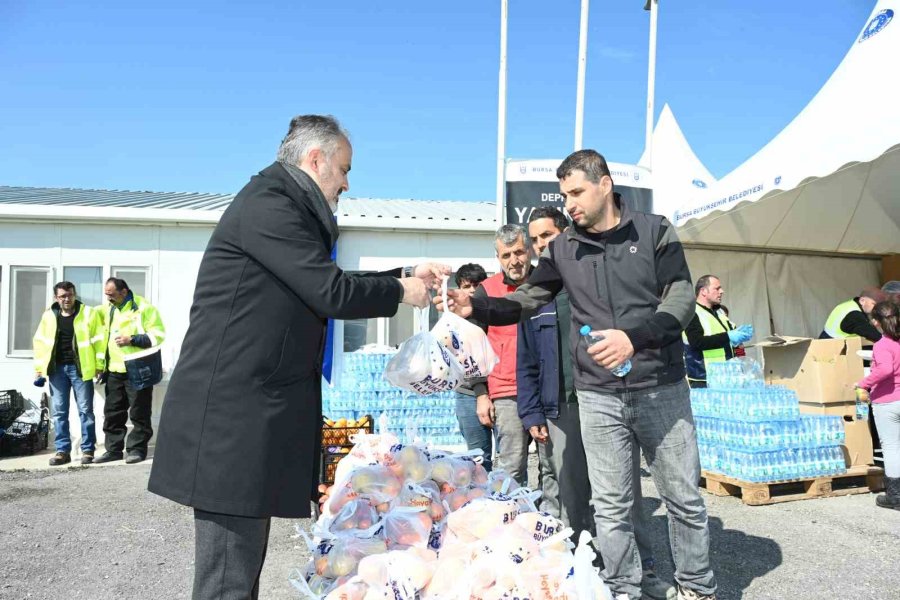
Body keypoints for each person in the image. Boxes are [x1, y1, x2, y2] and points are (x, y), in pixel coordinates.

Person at [147, 114, 446, 600]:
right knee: (227, 581)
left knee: (239, 576)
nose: (347, 183)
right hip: (231, 421)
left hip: (248, 418)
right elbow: (329, 291)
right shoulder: (270, 205)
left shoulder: (283, 206)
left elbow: (322, 283)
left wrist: (404, 274)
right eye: (344, 169)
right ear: (316, 159)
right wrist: (400, 290)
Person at [438, 149, 716, 600]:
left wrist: (634, 339)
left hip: (660, 387)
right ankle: (623, 588)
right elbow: (528, 298)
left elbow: (681, 298)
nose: (569, 203)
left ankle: (698, 588)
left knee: (683, 498)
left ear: (605, 184)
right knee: (611, 505)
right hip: (598, 395)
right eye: (564, 194)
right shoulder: (563, 248)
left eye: (576, 192)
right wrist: (478, 306)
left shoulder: (655, 230)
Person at [517, 207, 675, 600]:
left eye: (547, 235)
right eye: (535, 240)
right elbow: (526, 361)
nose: (541, 245)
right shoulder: (536, 296)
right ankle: (582, 571)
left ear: (566, 234)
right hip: (564, 408)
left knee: (623, 495)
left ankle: (643, 571)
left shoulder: (591, 280)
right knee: (572, 496)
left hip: (607, 397)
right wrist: (532, 411)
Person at [470, 224, 533, 486]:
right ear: (498, 257)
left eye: (519, 252)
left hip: (547, 387)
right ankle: (510, 511)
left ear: (529, 250)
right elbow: (472, 347)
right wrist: (481, 393)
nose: (514, 261)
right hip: (506, 391)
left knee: (555, 466)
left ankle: (550, 512)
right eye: (506, 255)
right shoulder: (486, 291)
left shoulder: (547, 284)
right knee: (511, 467)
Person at [93, 278, 166, 465]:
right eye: (106, 294)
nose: (108, 298)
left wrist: (132, 339)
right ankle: (113, 450)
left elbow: (158, 335)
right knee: (113, 412)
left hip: (138, 369)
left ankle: (137, 450)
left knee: (139, 412)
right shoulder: (108, 309)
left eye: (111, 294)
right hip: (114, 370)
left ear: (124, 292)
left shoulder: (143, 307)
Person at [32, 282, 105, 466]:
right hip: (57, 370)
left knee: (86, 411)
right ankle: (62, 451)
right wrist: (39, 369)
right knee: (59, 412)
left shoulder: (88, 313)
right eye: (63, 296)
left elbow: (100, 340)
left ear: (74, 294)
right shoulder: (49, 316)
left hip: (81, 370)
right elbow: (40, 343)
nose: (67, 299)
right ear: (56, 298)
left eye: (70, 295)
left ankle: (88, 450)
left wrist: (99, 365)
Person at [855, 300, 900, 511]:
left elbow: (885, 369)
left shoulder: (882, 344)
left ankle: (895, 496)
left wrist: (863, 383)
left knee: (891, 447)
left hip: (887, 401)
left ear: (875, 322)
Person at [452, 263, 494, 471]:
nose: (472, 291)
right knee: (478, 460)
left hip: (500, 391)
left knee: (510, 459)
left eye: (477, 285)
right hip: (468, 393)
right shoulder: (455, 320)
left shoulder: (495, 313)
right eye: (466, 286)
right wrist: (479, 393)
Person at [683, 275, 753, 388]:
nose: (722, 291)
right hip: (705, 378)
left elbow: (733, 341)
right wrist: (728, 336)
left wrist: (740, 336)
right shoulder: (692, 312)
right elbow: (696, 342)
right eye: (717, 288)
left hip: (727, 376)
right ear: (703, 291)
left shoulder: (719, 312)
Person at [820, 288, 886, 343]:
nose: (877, 308)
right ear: (862, 300)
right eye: (874, 304)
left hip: (827, 341)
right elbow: (874, 335)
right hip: (832, 346)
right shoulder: (854, 315)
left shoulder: (851, 305)